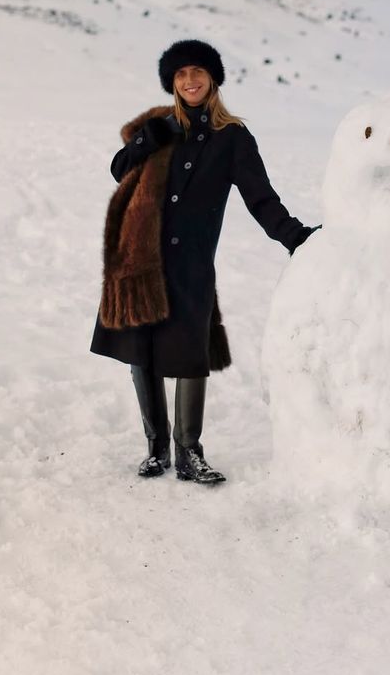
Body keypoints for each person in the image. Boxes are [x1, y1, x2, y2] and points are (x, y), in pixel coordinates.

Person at [91, 39, 320, 485]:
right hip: (141, 258)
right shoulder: (159, 127)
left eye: (197, 72)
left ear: (212, 78)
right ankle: (156, 448)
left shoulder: (232, 137)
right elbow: (119, 169)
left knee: (189, 352)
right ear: (172, 83)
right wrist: (144, 141)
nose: (190, 81)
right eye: (180, 75)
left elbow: (261, 198)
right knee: (144, 352)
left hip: (192, 264)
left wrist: (295, 236)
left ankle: (189, 452)